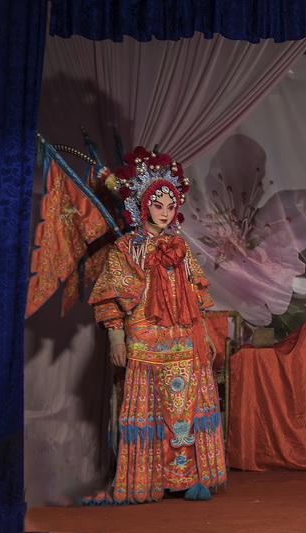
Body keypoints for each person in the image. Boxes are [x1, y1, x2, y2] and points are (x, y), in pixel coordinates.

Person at [88, 146, 227, 504]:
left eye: (170, 206)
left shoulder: (181, 246)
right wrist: (116, 340)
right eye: (158, 205)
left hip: (185, 338)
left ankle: (187, 478)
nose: (165, 212)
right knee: (152, 409)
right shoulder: (126, 248)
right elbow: (109, 296)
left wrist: (206, 334)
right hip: (145, 340)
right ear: (143, 206)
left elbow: (196, 293)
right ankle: (149, 478)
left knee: (186, 408)